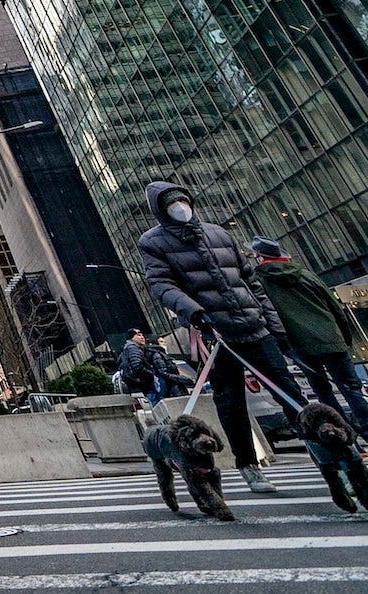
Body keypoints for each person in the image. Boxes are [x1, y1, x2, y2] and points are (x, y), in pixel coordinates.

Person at [137, 180, 301, 493]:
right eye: (172, 204)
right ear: (161, 211)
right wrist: (195, 312)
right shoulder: (152, 242)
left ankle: (329, 459)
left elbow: (252, 284)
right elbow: (161, 285)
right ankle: (248, 466)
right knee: (231, 403)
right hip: (216, 334)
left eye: (183, 201)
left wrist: (275, 327)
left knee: (290, 391)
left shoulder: (219, 234)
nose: (180, 208)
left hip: (255, 327)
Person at [250, 236, 368, 429]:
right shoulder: (306, 275)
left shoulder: (260, 282)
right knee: (352, 389)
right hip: (331, 337)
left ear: (260, 257)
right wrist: (345, 338)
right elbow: (335, 307)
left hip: (298, 344)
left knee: (323, 393)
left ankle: (342, 435)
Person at [118, 328, 174, 405]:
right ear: (132, 338)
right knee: (157, 402)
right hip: (144, 382)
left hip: (143, 383)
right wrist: (151, 374)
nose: (142, 337)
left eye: (142, 335)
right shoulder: (132, 348)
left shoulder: (134, 348)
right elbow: (137, 366)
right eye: (138, 335)